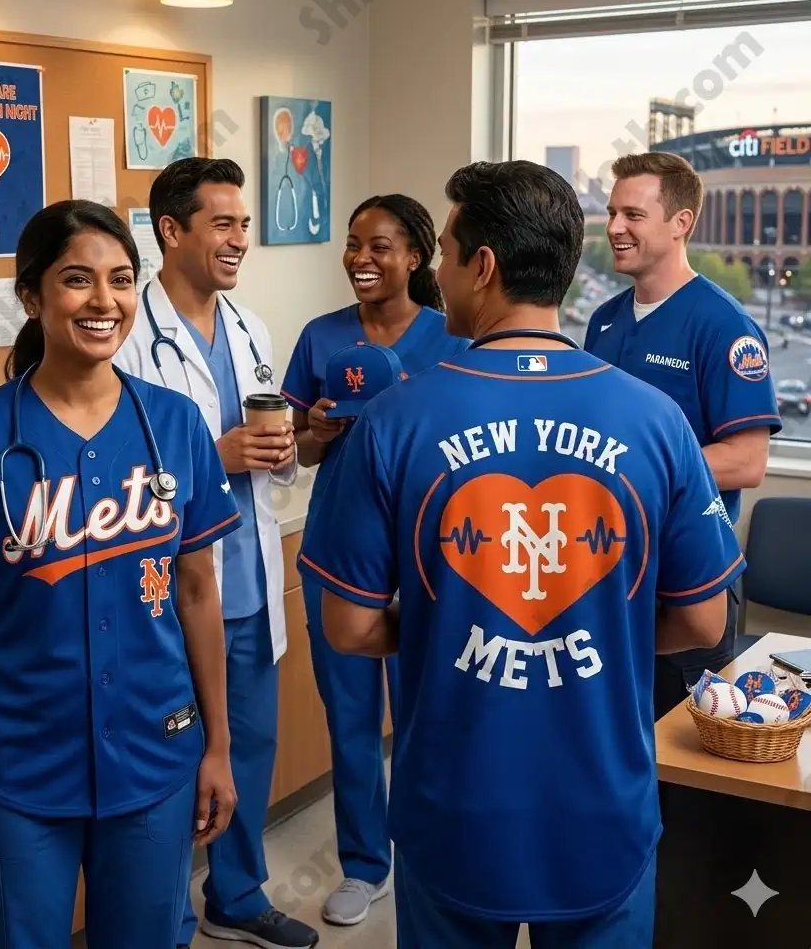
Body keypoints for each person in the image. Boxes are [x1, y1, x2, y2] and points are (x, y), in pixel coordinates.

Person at [296, 159, 744, 948]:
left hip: (453, 806)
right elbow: (705, 621)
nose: (438, 271)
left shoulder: (396, 421)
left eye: (444, 251)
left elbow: (350, 630)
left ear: (484, 265)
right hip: (602, 805)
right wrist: (598, 631)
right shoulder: (656, 421)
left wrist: (446, 628)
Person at [0, 200, 244, 949]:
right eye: (77, 280)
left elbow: (197, 593)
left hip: (156, 757)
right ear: (32, 297)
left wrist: (217, 747)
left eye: (121, 280)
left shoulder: (175, 425)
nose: (104, 302)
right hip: (18, 770)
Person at [114, 158, 319, 949]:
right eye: (223, 224)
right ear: (172, 231)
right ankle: (161, 918)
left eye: (244, 225)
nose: (240, 241)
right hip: (170, 593)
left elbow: (271, 448)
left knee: (249, 750)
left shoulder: (250, 328)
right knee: (170, 766)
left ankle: (237, 893)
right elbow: (117, 464)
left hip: (250, 581)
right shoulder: (129, 333)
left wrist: (284, 449)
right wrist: (218, 455)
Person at [280, 193, 469, 928]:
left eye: (380, 245)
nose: (361, 257)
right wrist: (315, 433)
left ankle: (430, 850)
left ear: (417, 257)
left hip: (426, 551)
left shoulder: (451, 337)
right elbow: (293, 446)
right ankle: (366, 864)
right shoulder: (322, 337)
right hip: (340, 548)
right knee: (352, 716)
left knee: (430, 712)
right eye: (354, 243)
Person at [585, 151, 780, 718]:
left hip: (688, 580)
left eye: (633, 215)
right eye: (612, 212)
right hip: (612, 570)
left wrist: (637, 465)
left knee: (680, 774)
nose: (616, 228)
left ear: (681, 223)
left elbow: (747, 462)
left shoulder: (723, 325)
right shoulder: (603, 320)